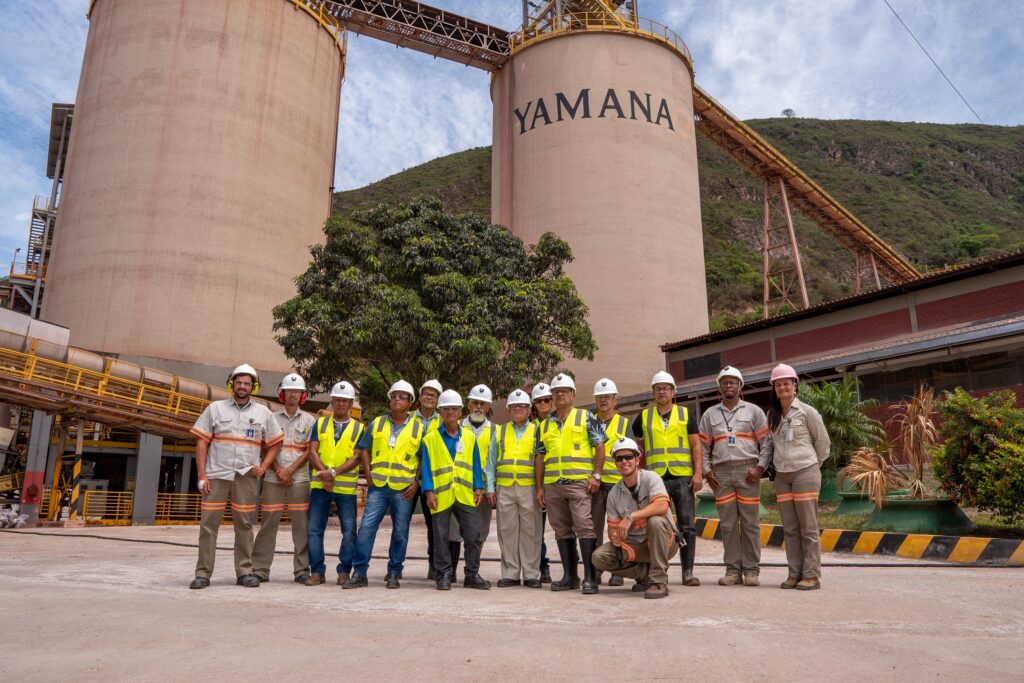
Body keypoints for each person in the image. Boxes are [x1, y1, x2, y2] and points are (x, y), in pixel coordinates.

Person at [188, 364, 284, 589]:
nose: (242, 386)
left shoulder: (262, 413)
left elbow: (276, 442)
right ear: (232, 384)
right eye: (239, 382)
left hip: (246, 477)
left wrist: (264, 466)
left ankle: (244, 571)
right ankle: (203, 573)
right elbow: (201, 441)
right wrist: (202, 474)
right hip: (217, 475)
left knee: (244, 524)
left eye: (247, 383)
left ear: (254, 387)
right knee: (209, 525)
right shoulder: (215, 409)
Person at [343, 379, 424, 590]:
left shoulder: (418, 428)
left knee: (400, 531)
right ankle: (359, 572)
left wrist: (416, 483)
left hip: (404, 490)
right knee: (367, 528)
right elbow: (364, 450)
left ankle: (394, 572)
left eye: (402, 397)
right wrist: (368, 475)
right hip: (378, 487)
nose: (397, 399)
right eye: (394, 396)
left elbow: (423, 458)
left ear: (411, 402)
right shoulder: (377, 423)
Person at [534, 373, 608, 594]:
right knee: (561, 530)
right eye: (556, 392)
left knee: (585, 527)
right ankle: (569, 577)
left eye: (563, 391)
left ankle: (590, 578)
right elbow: (539, 457)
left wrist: (596, 475)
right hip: (553, 486)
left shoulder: (585, 418)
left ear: (573, 395)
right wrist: (539, 488)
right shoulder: (544, 425)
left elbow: (600, 446)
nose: (559, 395)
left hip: (579, 484)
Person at [699, 366, 773, 587]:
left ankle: (751, 571)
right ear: (719, 388)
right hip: (721, 474)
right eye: (725, 382)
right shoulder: (710, 414)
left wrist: (760, 468)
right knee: (728, 524)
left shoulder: (753, 411)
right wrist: (707, 470)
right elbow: (702, 447)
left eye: (733, 382)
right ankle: (732, 570)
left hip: (747, 472)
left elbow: (766, 443)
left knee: (750, 523)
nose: (728, 386)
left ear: (740, 386)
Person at [633, 370, 704, 587]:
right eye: (657, 388)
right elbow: (638, 445)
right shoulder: (644, 417)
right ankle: (653, 572)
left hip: (682, 478)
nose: (661, 391)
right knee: (653, 525)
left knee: (686, 525)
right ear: (653, 392)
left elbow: (695, 446)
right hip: (655, 480)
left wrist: (698, 473)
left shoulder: (684, 414)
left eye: (665, 388)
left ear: (673, 391)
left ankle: (688, 572)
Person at [767, 363, 831, 591]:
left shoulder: (807, 412)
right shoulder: (772, 415)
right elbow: (769, 444)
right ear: (774, 388)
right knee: (790, 528)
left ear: (795, 385)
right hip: (782, 476)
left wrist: (814, 465)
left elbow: (823, 443)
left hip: (805, 471)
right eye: (778, 384)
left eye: (787, 383)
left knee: (808, 527)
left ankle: (811, 575)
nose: (783, 387)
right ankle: (794, 573)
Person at [592, 437, 679, 599]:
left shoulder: (650, 478)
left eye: (628, 457)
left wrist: (631, 517)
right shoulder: (614, 494)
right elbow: (612, 529)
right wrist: (616, 538)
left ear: (637, 459)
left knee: (656, 521)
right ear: (615, 464)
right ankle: (645, 575)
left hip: (663, 542)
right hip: (637, 546)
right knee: (599, 557)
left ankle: (659, 581)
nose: (624, 461)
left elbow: (662, 506)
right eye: (619, 458)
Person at [421, 390, 490, 590]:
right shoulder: (430, 438)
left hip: (465, 493)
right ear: (440, 412)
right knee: (441, 537)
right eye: (446, 409)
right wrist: (429, 491)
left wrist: (478, 487)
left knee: (473, 535)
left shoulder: (469, 437)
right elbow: (426, 467)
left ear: (460, 412)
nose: (450, 412)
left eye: (454, 408)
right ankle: (443, 575)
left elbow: (476, 464)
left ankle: (472, 574)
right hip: (441, 496)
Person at [253, 373, 316, 584]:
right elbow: (264, 447)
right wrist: (279, 469)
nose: (293, 395)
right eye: (289, 391)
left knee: (301, 526)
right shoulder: (271, 418)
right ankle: (260, 569)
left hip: (299, 479)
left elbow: (310, 451)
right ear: (283, 394)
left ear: (302, 395)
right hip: (273, 478)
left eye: (297, 391)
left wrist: (290, 471)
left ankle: (301, 570)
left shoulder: (310, 420)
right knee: (268, 523)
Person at [305, 381, 363, 586]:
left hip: (345, 489)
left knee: (349, 531)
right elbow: (312, 451)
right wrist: (325, 476)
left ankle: (344, 570)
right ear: (331, 402)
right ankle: (317, 572)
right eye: (337, 400)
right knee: (314, 530)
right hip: (320, 486)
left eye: (344, 401)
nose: (340, 403)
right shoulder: (319, 423)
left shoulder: (359, 428)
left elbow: (357, 458)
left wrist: (332, 473)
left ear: (350, 404)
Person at [486, 389, 543, 587]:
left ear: (529, 409)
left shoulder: (537, 431)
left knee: (531, 531)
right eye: (514, 406)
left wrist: (540, 489)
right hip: (505, 489)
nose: (518, 409)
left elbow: (541, 461)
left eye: (522, 406)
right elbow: (490, 463)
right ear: (509, 409)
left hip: (529, 488)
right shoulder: (500, 431)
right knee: (507, 530)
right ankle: (510, 573)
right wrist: (490, 488)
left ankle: (531, 574)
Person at [591, 378, 632, 587]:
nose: (603, 400)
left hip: (618, 486)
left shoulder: (624, 424)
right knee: (594, 530)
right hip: (595, 485)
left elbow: (632, 455)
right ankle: (595, 572)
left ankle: (618, 571)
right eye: (600, 397)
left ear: (615, 400)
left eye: (607, 396)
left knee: (617, 530)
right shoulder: (589, 422)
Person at [464, 384, 496, 571]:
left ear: (489, 407)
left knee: (480, 530)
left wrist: (491, 489)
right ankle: (447, 570)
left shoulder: (496, 431)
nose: (478, 406)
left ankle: (472, 568)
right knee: (455, 531)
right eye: (475, 402)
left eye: (483, 404)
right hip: (459, 488)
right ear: (468, 405)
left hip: (483, 490)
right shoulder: (457, 426)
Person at [414, 379, 443, 580]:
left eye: (433, 395)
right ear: (419, 396)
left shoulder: (443, 421)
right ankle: (394, 568)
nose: (429, 398)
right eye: (426, 394)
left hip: (431, 481)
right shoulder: (408, 419)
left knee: (433, 525)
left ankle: (434, 565)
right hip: (408, 480)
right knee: (400, 526)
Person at [531, 382, 556, 584]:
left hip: (557, 483)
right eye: (539, 401)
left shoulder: (560, 423)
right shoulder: (530, 428)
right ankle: (542, 567)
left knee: (567, 529)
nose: (543, 403)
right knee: (536, 530)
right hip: (535, 486)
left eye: (546, 400)